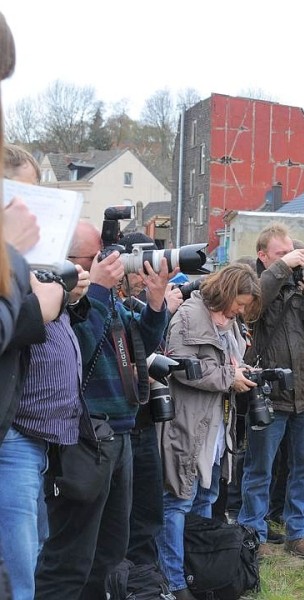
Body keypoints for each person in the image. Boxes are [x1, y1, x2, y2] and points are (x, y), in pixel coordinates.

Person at [35, 221, 173, 599]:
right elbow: (77, 344)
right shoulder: (53, 298)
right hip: (85, 435)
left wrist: (157, 302)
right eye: (97, 255)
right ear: (70, 260)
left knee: (112, 551)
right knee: (71, 554)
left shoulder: (104, 297)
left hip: (120, 432)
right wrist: (95, 288)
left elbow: (140, 344)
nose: (110, 261)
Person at [0, 145, 89, 600]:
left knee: (28, 557)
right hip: (12, 431)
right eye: (24, 196)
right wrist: (40, 307)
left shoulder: (22, 256)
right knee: (16, 570)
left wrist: (65, 300)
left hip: (32, 433)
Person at [156, 263, 260, 599]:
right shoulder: (188, 315)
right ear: (227, 291)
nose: (241, 310)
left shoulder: (227, 323)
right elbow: (184, 369)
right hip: (186, 425)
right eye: (240, 303)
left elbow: (223, 365)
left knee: (206, 498)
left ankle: (198, 572)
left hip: (216, 428)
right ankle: (173, 580)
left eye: (245, 307)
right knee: (177, 503)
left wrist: (241, 371)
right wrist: (230, 378)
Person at [238, 223, 304, 560]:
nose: (291, 260)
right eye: (281, 254)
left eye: (291, 253)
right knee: (259, 469)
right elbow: (253, 306)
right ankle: (254, 532)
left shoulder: (301, 284)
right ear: (263, 256)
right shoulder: (251, 281)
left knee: (303, 468)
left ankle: (298, 532)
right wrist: (283, 268)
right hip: (269, 391)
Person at [117, 231, 185, 566]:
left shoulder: (139, 305)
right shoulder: (99, 301)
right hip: (110, 426)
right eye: (140, 263)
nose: (147, 270)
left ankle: (143, 582)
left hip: (141, 422)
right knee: (114, 520)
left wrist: (157, 302)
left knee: (148, 512)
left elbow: (144, 341)